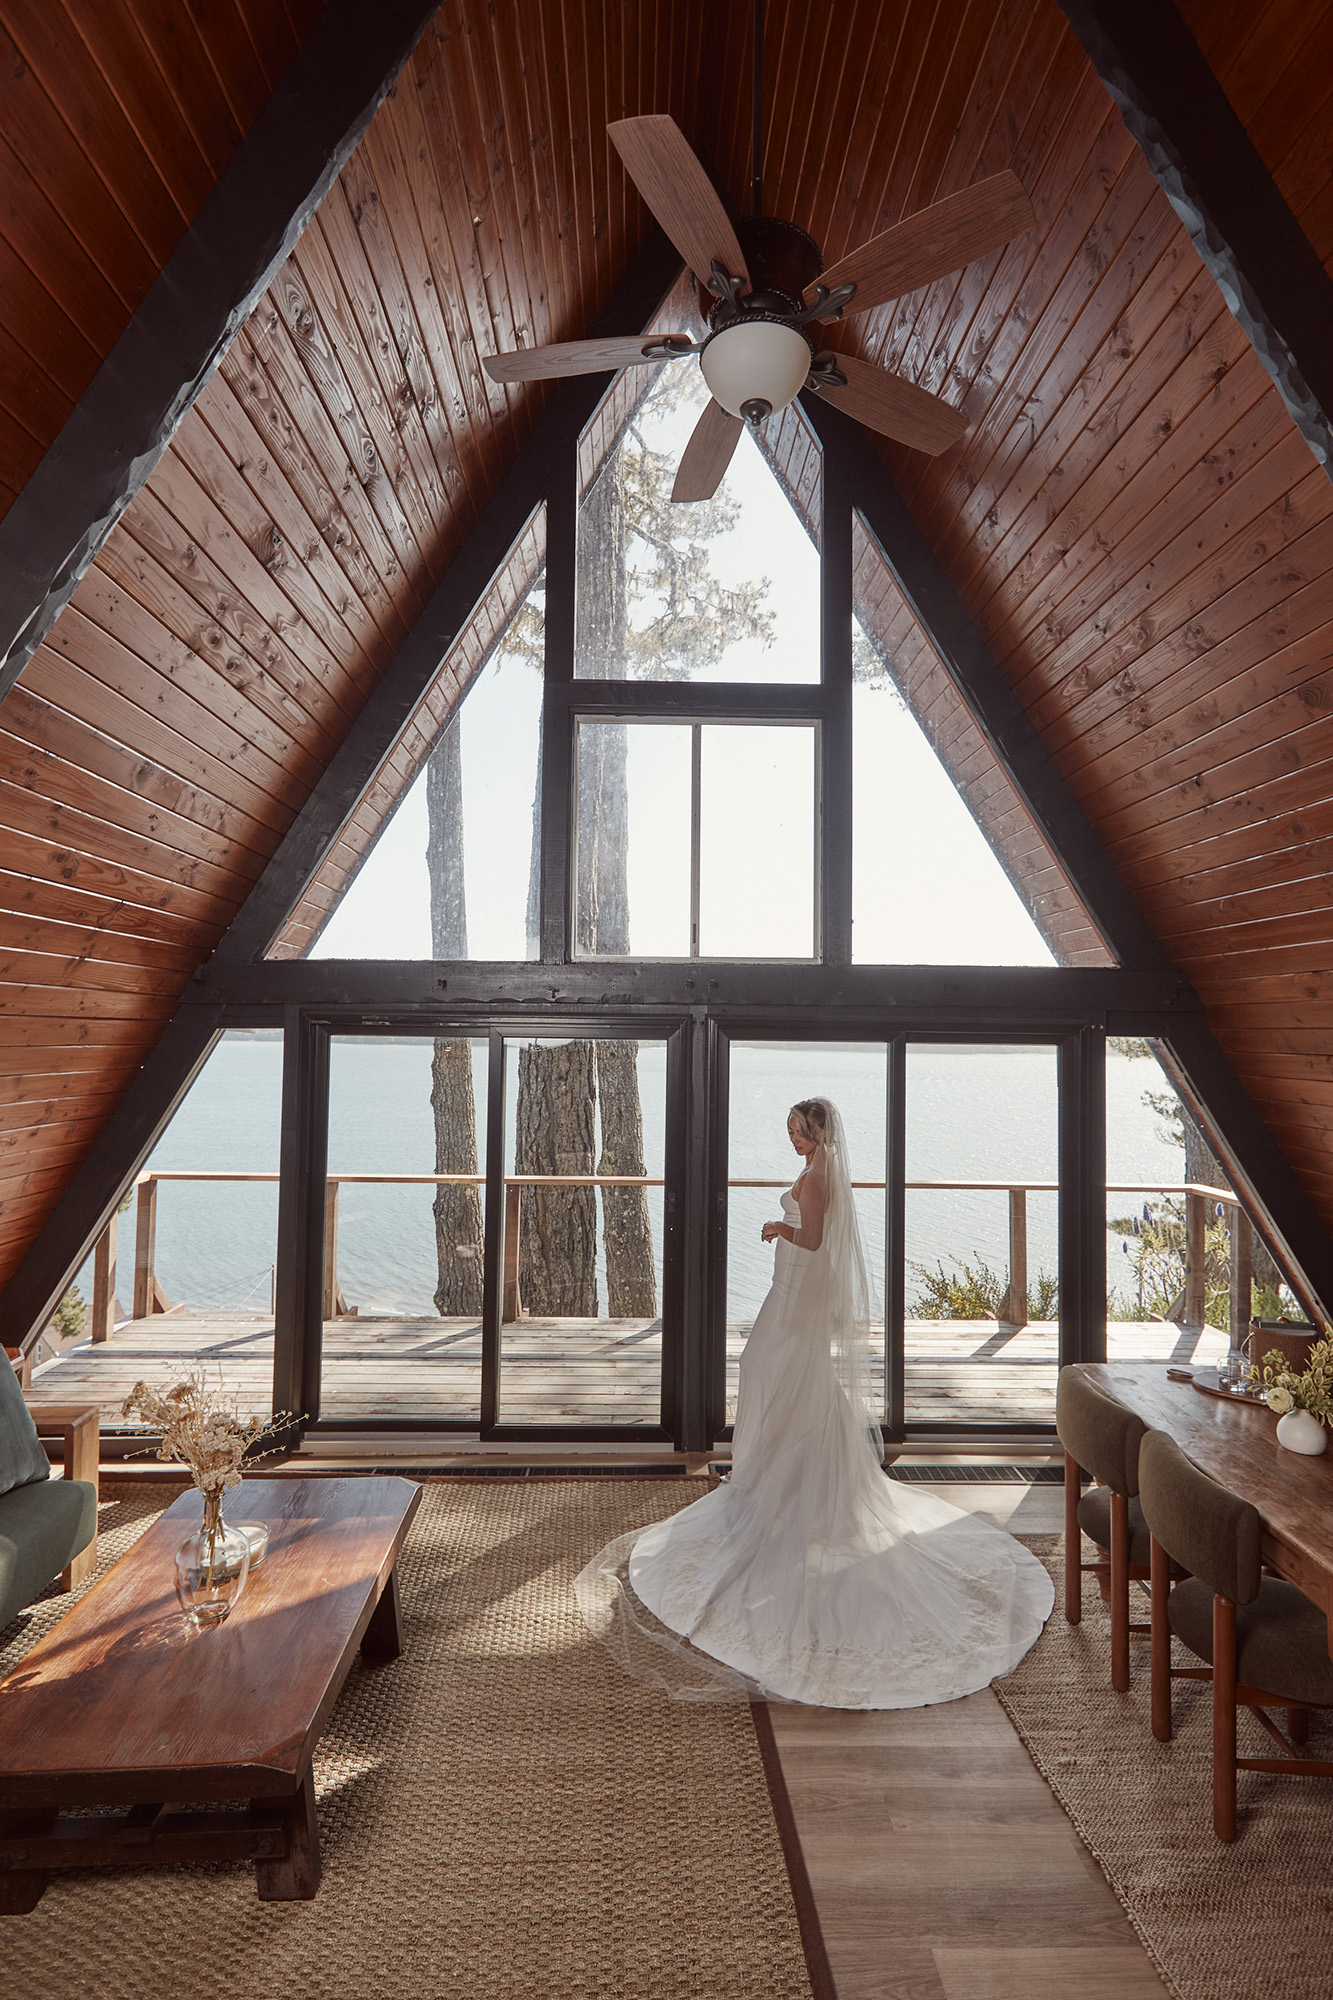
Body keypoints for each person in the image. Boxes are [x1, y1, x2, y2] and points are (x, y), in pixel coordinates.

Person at [576, 1096, 1053, 1707]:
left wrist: (778, 1228)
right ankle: (774, 1470)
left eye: (798, 1133)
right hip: (790, 1295)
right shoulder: (818, 1167)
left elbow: (816, 1238)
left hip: (796, 1299)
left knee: (776, 1375)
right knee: (776, 1378)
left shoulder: (823, 1174)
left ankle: (784, 1479)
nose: (793, 1142)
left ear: (819, 1131)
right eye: (790, 1134)